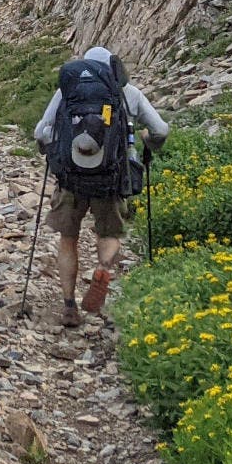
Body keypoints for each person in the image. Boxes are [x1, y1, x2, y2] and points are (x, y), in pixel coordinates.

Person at [31, 45, 168, 327]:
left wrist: (51, 152)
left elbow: (40, 131)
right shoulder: (127, 92)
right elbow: (161, 130)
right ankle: (103, 269)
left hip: (71, 178)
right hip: (111, 178)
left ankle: (69, 306)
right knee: (109, 234)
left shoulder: (67, 91)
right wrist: (149, 142)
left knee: (68, 239)